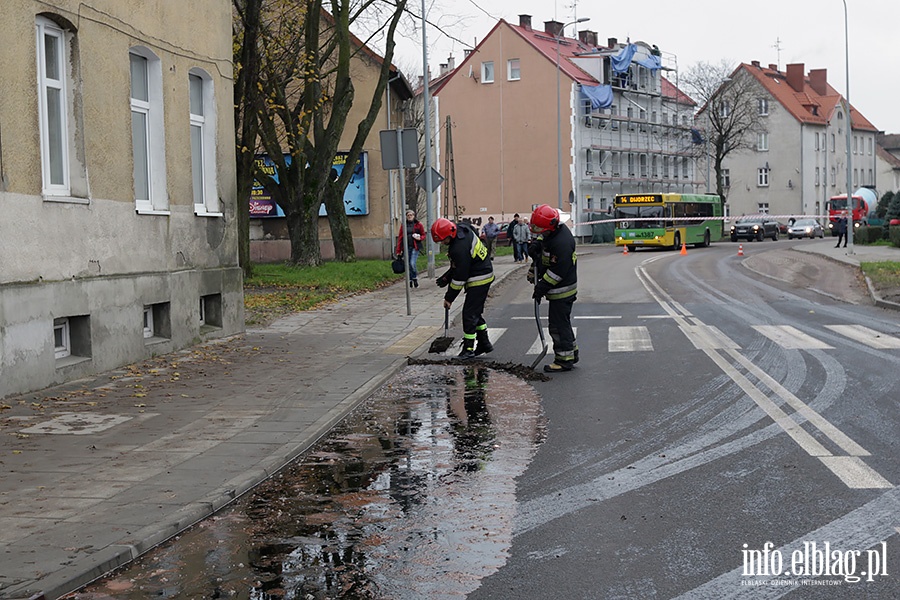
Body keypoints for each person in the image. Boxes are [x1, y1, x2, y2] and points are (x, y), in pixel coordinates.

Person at [432, 217, 495, 359]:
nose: (443, 243)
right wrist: (447, 277)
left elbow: (460, 277)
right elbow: (461, 264)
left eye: (443, 240)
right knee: (475, 312)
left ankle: (468, 349)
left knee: (468, 314)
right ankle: (484, 343)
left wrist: (449, 298)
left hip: (479, 278)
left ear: (449, 234)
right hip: (482, 270)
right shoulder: (462, 228)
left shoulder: (458, 248)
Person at [528, 204, 578, 373]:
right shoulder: (555, 231)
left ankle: (564, 360)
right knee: (563, 322)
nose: (539, 233)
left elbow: (557, 272)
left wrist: (542, 286)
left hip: (562, 290)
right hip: (560, 288)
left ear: (550, 226)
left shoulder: (562, 243)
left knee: (557, 325)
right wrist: (537, 245)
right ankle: (572, 353)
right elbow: (545, 241)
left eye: (541, 230)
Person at [396, 209, 426, 288]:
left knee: (412, 263)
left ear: (414, 216)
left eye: (411, 215)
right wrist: (398, 250)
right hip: (406, 247)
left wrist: (420, 238)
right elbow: (400, 238)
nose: (409, 217)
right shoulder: (404, 225)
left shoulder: (418, 224)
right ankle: (410, 279)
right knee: (408, 264)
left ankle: (415, 277)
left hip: (415, 247)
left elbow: (423, 235)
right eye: (408, 215)